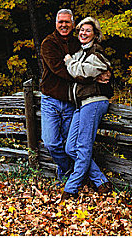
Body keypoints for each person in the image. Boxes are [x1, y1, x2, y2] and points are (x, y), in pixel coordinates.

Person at [61, 17, 113, 200]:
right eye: (81, 30)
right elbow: (74, 71)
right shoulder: (80, 54)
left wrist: (73, 66)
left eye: (87, 30)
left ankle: (70, 188)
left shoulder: (97, 54)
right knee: (70, 147)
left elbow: (78, 72)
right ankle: (101, 182)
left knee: (82, 147)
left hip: (94, 101)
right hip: (81, 104)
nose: (83, 33)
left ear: (95, 35)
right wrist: (76, 68)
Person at [40, 9, 80, 181]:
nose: (64, 25)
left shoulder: (77, 43)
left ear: (72, 23)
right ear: (56, 23)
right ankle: (70, 170)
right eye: (61, 22)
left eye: (67, 22)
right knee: (50, 142)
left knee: (68, 143)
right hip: (51, 99)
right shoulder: (48, 43)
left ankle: (65, 178)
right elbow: (58, 68)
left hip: (71, 100)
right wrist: (82, 74)